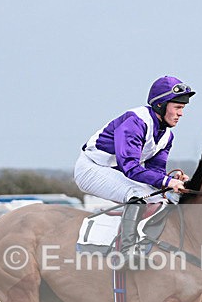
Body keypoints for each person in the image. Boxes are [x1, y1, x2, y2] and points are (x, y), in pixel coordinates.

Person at [74, 75, 194, 264]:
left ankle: (147, 245)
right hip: (91, 168)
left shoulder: (167, 136)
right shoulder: (135, 122)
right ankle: (126, 252)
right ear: (161, 105)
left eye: (183, 108)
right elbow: (130, 167)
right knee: (137, 194)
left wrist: (171, 181)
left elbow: (155, 171)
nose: (181, 114)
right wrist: (167, 181)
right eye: (177, 107)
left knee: (159, 198)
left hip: (115, 172)